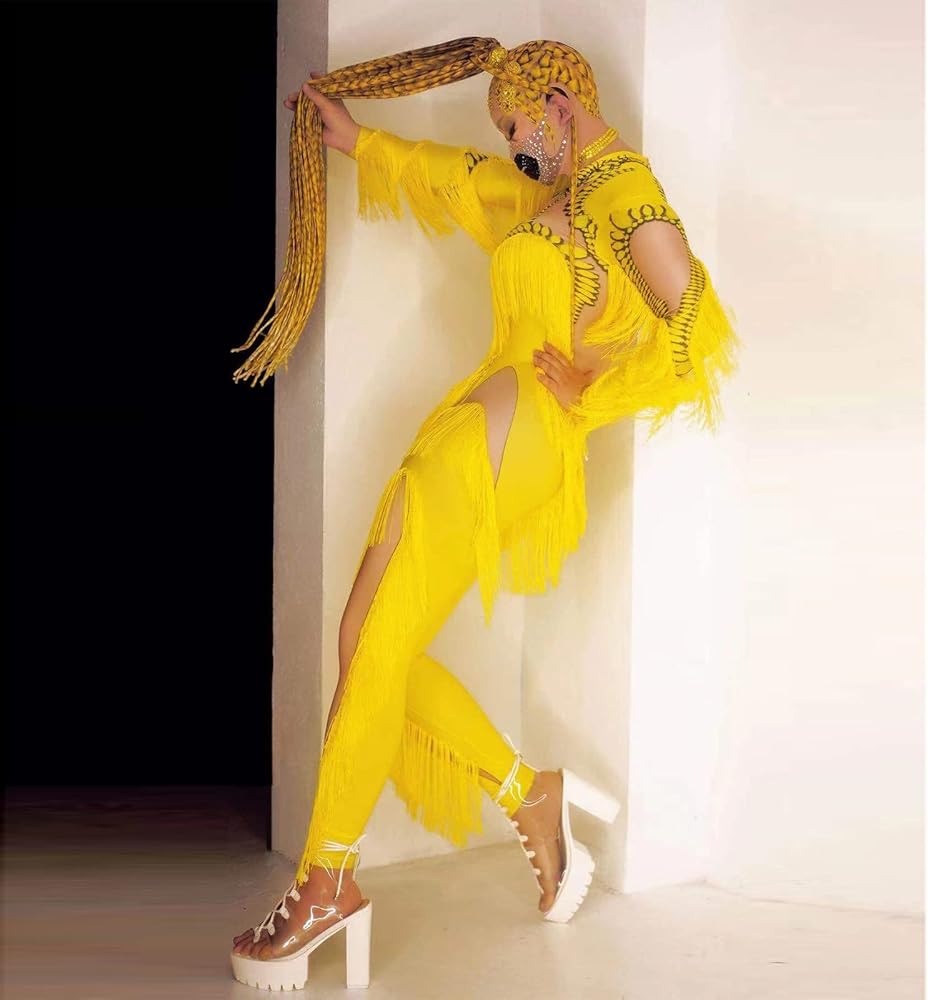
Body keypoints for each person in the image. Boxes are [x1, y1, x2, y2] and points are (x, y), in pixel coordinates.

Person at [230, 36, 741, 992]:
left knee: (374, 643)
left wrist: (596, 385)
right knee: (364, 640)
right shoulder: (549, 200)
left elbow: (696, 321)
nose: (510, 145)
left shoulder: (624, 187)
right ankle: (529, 794)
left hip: (520, 442)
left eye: (515, 124)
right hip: (476, 428)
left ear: (558, 102)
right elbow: (454, 177)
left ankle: (326, 881)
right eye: (503, 131)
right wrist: (355, 142)